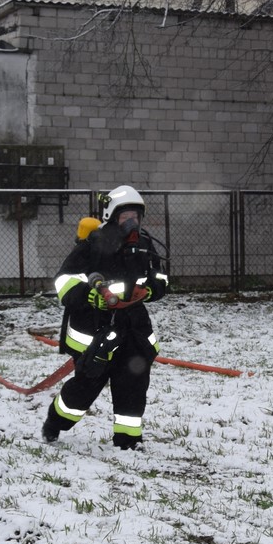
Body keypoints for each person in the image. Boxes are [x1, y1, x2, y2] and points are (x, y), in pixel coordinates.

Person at [40, 185, 170, 449]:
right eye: (125, 217)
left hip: (133, 329)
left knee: (133, 385)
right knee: (84, 389)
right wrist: (90, 296)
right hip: (95, 331)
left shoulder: (145, 246)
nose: (132, 223)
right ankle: (54, 424)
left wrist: (149, 291)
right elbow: (64, 281)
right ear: (112, 216)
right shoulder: (93, 244)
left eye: (136, 217)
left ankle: (128, 440)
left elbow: (161, 278)